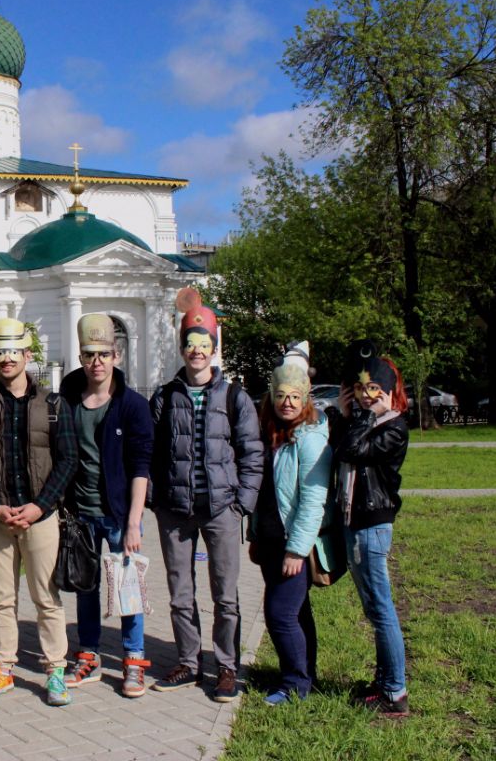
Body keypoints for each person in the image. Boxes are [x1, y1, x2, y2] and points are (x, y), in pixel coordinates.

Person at [149, 290, 263, 702]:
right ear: (182, 348)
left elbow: (252, 453)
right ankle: (188, 662)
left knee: (226, 595)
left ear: (214, 350)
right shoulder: (164, 396)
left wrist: (241, 504)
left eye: (204, 345)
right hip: (175, 512)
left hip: (221, 511)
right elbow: (151, 453)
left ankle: (227, 667)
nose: (197, 352)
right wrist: (155, 501)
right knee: (180, 594)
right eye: (190, 345)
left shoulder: (235, 397)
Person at [0, 318, 78, 706]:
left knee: (46, 598)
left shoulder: (53, 404)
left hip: (39, 518)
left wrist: (40, 507)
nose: (7, 359)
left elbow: (67, 460)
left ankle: (56, 672)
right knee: (1, 598)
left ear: (28, 356)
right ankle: (2, 670)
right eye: (0, 352)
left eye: (15, 352)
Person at [59, 313, 154, 698]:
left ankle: (133, 660)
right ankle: (89, 654)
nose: (96, 361)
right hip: (82, 512)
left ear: (116, 355)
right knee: (86, 587)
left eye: (103, 353)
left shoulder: (132, 405)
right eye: (88, 354)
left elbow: (141, 466)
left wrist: (134, 522)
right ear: (80, 357)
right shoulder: (68, 397)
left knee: (128, 588)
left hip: (118, 515)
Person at [247, 341, 333, 704]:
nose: (288, 403)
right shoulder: (269, 431)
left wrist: (298, 549)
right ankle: (304, 675)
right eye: (282, 395)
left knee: (280, 614)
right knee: (298, 612)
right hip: (268, 536)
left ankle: (295, 684)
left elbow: (313, 500)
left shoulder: (310, 437)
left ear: (306, 399)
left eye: (295, 397)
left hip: (291, 542)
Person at [335, 339, 410, 717]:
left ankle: (395, 691)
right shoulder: (361, 422)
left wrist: (360, 418)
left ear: (389, 392)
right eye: (360, 389)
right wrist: (349, 416)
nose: (365, 397)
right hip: (356, 521)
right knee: (373, 608)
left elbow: (351, 452)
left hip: (372, 525)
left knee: (381, 609)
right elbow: (340, 448)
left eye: (373, 390)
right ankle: (383, 680)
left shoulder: (393, 427)